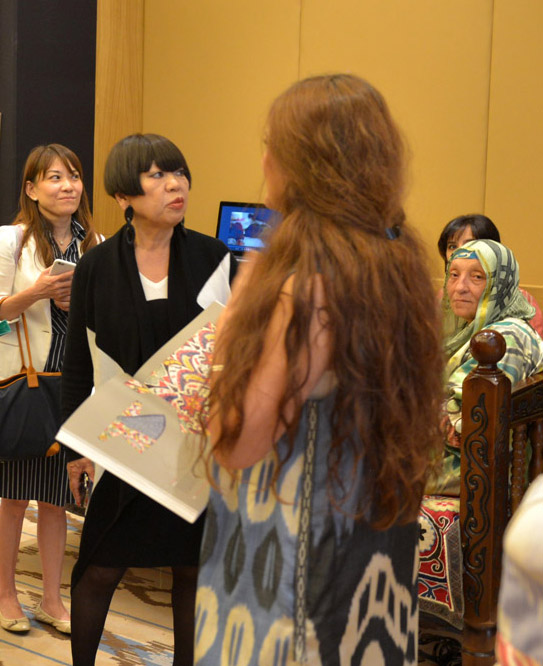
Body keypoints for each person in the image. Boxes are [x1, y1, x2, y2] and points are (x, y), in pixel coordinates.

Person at [195, 73, 445, 663]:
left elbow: (237, 440)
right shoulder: (397, 259)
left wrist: (236, 311)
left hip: (288, 572)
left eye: (270, 146)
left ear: (299, 165)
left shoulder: (305, 286)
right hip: (372, 549)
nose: (262, 160)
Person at [62, 133, 234, 665]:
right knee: (99, 567)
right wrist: (75, 448)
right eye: (156, 175)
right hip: (128, 440)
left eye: (178, 173)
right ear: (123, 197)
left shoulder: (211, 255)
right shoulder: (96, 266)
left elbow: (230, 350)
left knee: (192, 569)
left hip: (194, 442)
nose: (174, 185)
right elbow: (77, 362)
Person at [0, 144, 101, 634]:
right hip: (20, 382)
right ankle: (6, 596)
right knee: (12, 498)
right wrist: (41, 292)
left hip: (71, 388)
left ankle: (53, 599)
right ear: (31, 189)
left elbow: (101, 317)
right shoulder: (11, 239)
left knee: (57, 499)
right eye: (54, 177)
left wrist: (81, 305)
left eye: (73, 176)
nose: (67, 185)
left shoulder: (95, 239)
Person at [429, 239, 543, 495]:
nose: (460, 287)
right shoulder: (466, 330)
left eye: (477, 277)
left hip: (473, 474)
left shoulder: (504, 337)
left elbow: (463, 426)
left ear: (501, 285)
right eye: (454, 275)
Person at [436, 214, 543, 337]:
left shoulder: (519, 304)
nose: (461, 251)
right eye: (452, 246)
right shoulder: (442, 298)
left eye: (472, 244)